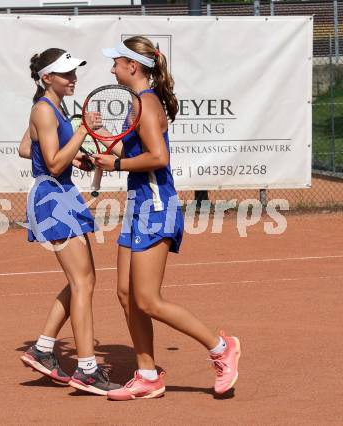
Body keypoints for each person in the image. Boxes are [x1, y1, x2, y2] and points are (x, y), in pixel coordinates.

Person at [93, 36, 241, 401]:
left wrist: (116, 163)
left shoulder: (145, 103)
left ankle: (221, 348)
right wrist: (99, 160)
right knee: (126, 295)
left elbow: (158, 157)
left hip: (156, 207)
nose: (111, 69)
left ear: (133, 67)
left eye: (116, 63)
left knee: (147, 300)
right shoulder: (138, 104)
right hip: (138, 205)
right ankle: (147, 375)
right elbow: (136, 154)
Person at [18, 48, 120, 396]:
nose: (72, 78)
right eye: (65, 74)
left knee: (83, 280)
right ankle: (87, 369)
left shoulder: (50, 109)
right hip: (52, 199)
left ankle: (43, 349)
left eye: (74, 72)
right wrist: (81, 133)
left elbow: (24, 148)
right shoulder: (44, 110)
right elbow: (52, 163)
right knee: (83, 282)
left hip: (61, 196)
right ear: (47, 78)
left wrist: (77, 156)